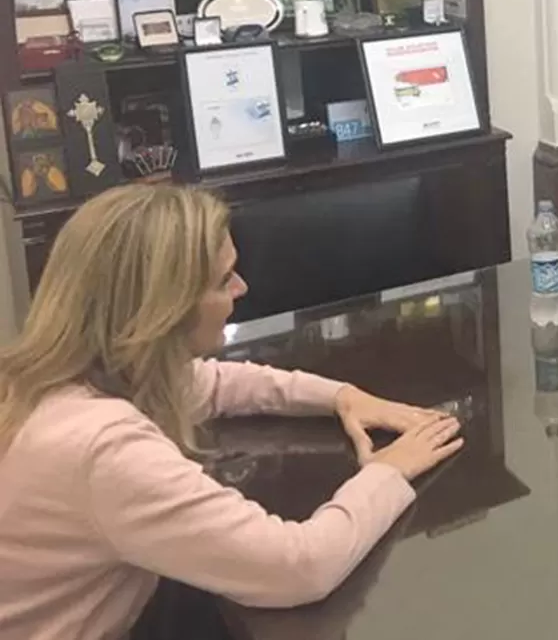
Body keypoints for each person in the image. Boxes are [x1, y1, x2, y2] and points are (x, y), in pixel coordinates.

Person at [0, 184, 465, 639]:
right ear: (164, 309)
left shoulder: (64, 376)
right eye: (224, 280)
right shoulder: (101, 449)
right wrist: (385, 474)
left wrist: (342, 396)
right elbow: (299, 569)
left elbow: (216, 383)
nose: (242, 288)